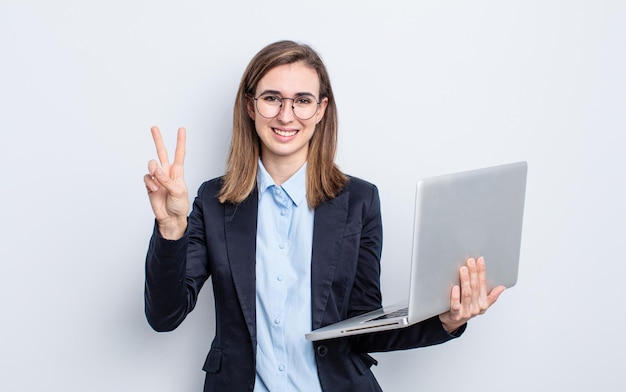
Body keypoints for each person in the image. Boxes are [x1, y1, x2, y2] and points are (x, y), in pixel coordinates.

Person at [143, 40, 505, 392]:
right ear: (251, 106)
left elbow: (365, 325)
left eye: (302, 101)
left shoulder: (360, 200)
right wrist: (171, 228)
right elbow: (164, 316)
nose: (286, 115)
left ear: (321, 109)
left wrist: (447, 319)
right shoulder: (213, 200)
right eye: (272, 99)